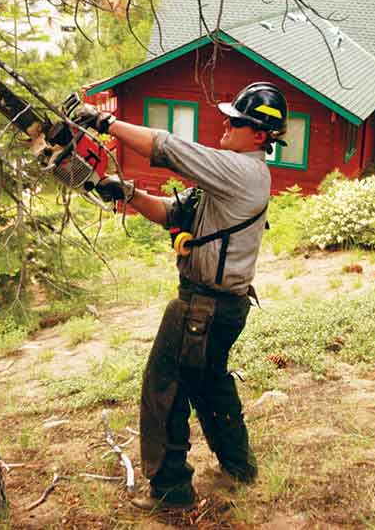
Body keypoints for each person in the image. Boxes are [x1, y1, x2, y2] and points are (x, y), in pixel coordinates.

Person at [73, 82, 289, 511]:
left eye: (238, 120)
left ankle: (171, 493)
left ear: (260, 135)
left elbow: (168, 147)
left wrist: (105, 121)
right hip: (223, 305)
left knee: (164, 389)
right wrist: (128, 194)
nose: (226, 123)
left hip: (204, 307)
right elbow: (174, 214)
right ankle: (239, 467)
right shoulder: (236, 175)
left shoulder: (240, 170)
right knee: (210, 384)